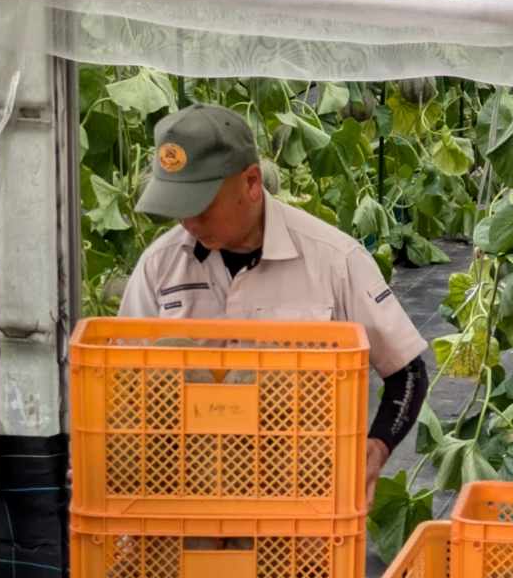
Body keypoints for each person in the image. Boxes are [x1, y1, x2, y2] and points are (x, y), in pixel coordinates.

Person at [121, 104, 429, 503]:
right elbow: (124, 385)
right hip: (184, 500)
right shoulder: (158, 267)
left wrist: (377, 448)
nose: (187, 222)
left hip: (298, 504)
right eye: (176, 206)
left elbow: (408, 373)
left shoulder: (336, 261)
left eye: (199, 203)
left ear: (251, 182)